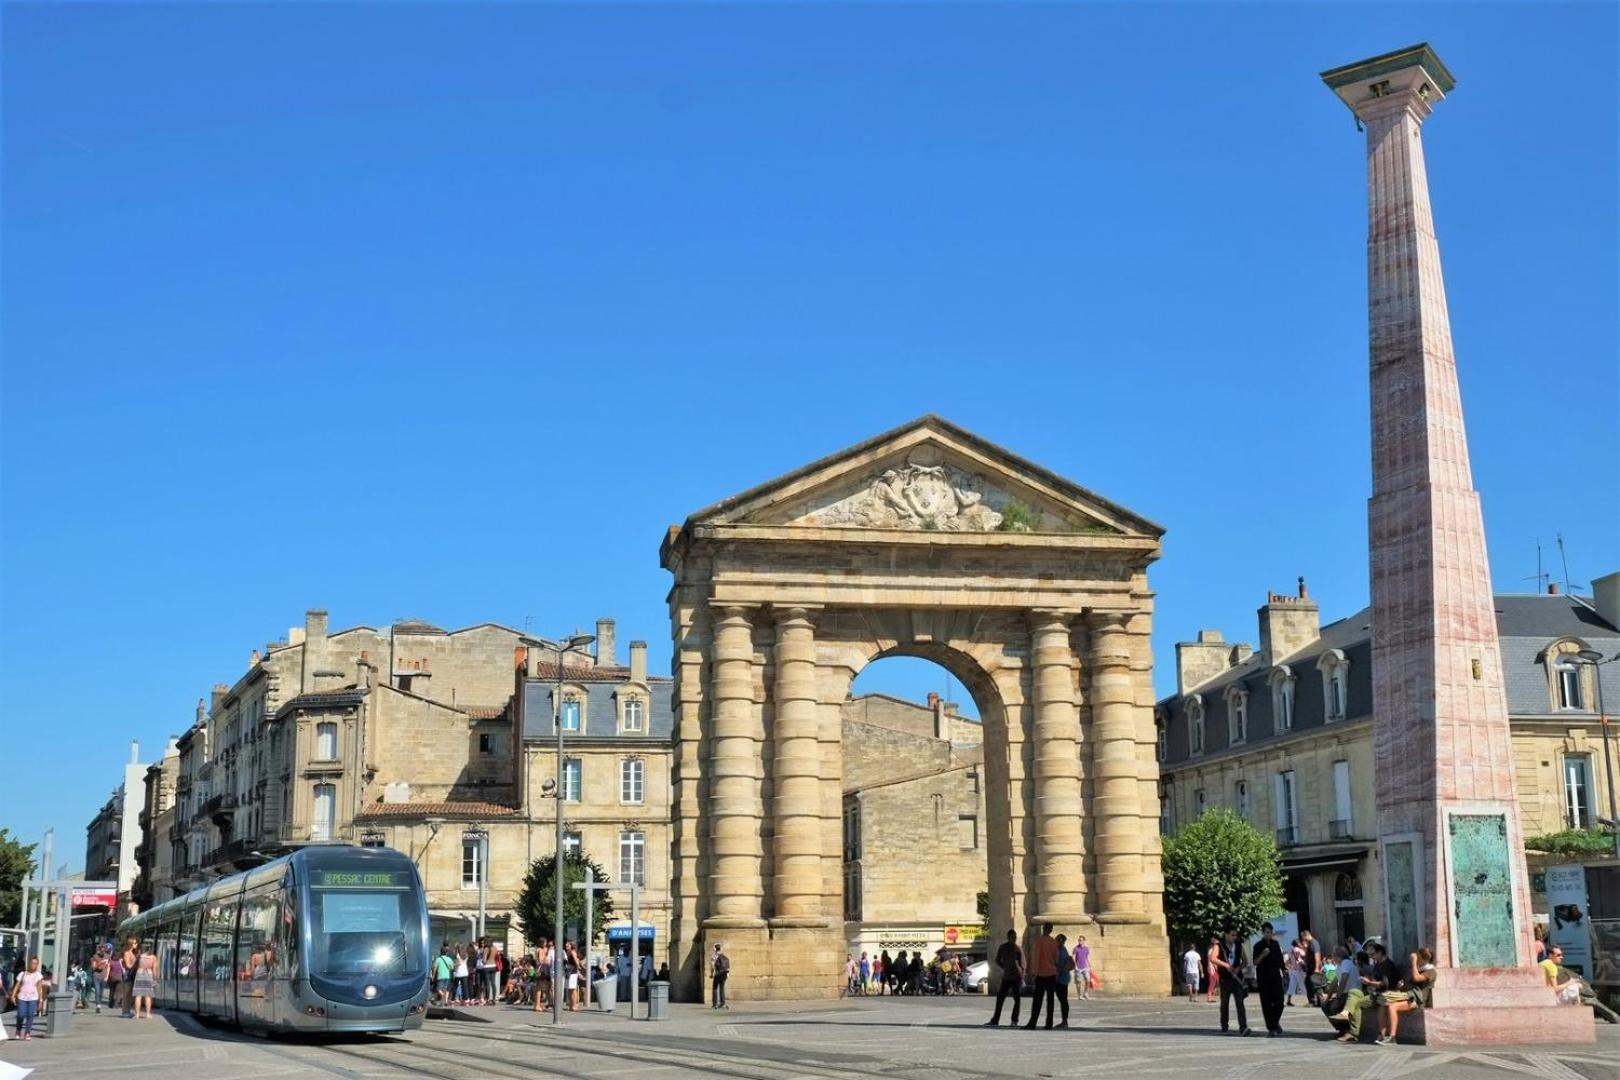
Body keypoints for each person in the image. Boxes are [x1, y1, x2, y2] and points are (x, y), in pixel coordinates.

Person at [1332, 942, 1397, 1043]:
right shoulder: (1377, 964)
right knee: (1355, 995)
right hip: (1373, 992)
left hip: (1385, 994)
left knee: (1356, 1000)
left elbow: (1385, 984)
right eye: (1369, 955)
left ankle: (1353, 1032)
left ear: (1380, 952)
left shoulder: (1387, 965)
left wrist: (1369, 982)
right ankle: (1350, 1026)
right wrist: (1368, 980)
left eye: (1372, 954)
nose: (1371, 957)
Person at [1377, 946, 1436, 1045]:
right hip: (1408, 995)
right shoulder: (1417, 969)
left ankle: (1392, 1037)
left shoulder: (1431, 971)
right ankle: (1382, 1034)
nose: (1416, 960)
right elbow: (1409, 984)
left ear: (1423, 959)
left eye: (1418, 958)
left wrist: (1413, 963)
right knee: (1383, 1002)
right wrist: (1401, 986)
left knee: (1393, 1007)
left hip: (1417, 999)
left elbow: (1417, 978)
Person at [1212, 929, 1251, 1036]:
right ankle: (1224, 1025)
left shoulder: (1239, 945)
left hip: (1237, 978)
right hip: (1225, 979)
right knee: (1224, 1003)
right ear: (1226, 934)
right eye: (1232, 935)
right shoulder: (1219, 945)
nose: (1234, 937)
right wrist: (1226, 965)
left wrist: (1238, 968)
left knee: (1240, 1003)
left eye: (1235, 935)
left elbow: (1245, 961)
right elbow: (1213, 958)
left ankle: (1243, 1027)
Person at [985, 929, 1025, 1027]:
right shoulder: (1003, 948)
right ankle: (995, 1019)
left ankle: (1014, 1020)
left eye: (1015, 937)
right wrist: (1005, 967)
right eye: (1012, 937)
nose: (1014, 939)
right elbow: (997, 960)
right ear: (1008, 938)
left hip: (1016, 977)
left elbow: (1023, 963)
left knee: (1017, 999)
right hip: (1007, 977)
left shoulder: (1018, 948)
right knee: (1000, 998)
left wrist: (1022, 975)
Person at [1024, 923, 1060, 1030]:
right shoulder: (1054, 942)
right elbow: (1056, 959)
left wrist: (1034, 973)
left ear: (1044, 929)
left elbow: (1036, 958)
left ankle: (1033, 1022)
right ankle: (1049, 1023)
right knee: (1050, 1001)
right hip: (1051, 973)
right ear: (1051, 930)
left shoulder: (1039, 941)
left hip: (1041, 974)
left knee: (1037, 1000)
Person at [1252, 923, 1285, 1036]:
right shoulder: (1258, 945)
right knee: (1266, 1004)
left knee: (1280, 1002)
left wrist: (1284, 969)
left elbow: (1280, 959)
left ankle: (1275, 1022)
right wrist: (1263, 954)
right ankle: (1271, 1028)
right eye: (1267, 932)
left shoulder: (1275, 944)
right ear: (1263, 932)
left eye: (1271, 932)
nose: (1269, 934)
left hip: (1275, 977)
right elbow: (1255, 962)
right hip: (1263, 978)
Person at [9, 957, 44, 1041]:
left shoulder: (38, 975)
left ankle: (27, 1032)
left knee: (30, 1015)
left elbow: (39, 988)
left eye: (35, 964)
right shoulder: (22, 974)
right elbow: (17, 985)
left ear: (37, 965)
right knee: (21, 1015)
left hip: (33, 997)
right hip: (22, 997)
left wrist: (41, 1000)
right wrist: (13, 995)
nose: (33, 965)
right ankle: (18, 1029)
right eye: (32, 963)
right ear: (29, 964)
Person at [1053, 933, 1075, 1028]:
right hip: (1063, 978)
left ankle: (1064, 1021)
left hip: (1061, 979)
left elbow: (1059, 965)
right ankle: (1064, 1021)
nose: (1056, 941)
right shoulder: (1062, 950)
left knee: (1063, 1000)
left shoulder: (1060, 951)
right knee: (1063, 1000)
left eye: (1057, 940)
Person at [132, 944, 158, 1019]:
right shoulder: (153, 957)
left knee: (138, 995)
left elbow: (135, 966)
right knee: (148, 995)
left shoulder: (139, 956)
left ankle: (137, 1014)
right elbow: (154, 970)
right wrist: (155, 979)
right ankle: (148, 1014)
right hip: (148, 975)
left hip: (139, 974)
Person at [120, 938, 138, 1018]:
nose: (136, 945)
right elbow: (128, 965)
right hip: (128, 974)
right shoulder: (127, 953)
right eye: (135, 943)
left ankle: (128, 1010)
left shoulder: (133, 953)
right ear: (130, 944)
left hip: (133, 973)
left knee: (130, 994)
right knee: (127, 993)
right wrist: (135, 964)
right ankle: (125, 1011)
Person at [1072, 935, 1092, 1001]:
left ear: (1084, 941)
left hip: (1085, 967)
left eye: (1081, 940)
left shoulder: (1086, 949)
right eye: (1079, 940)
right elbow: (1073, 957)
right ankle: (1079, 995)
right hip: (1078, 967)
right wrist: (1075, 966)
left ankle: (1085, 993)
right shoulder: (1076, 948)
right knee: (1079, 982)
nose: (1079, 941)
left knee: (1088, 980)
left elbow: (1087, 958)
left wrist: (1090, 965)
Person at [1285, 939, 1304, 1006]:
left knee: (1292, 985)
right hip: (1297, 969)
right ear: (1297, 943)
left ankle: (1288, 1000)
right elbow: (1298, 958)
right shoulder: (1297, 950)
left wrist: (1287, 966)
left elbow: (1288, 960)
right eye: (1299, 942)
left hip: (1292, 969)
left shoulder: (1290, 950)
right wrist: (1303, 962)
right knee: (1303, 984)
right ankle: (1311, 1000)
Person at [710, 943, 730, 1009]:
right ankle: (722, 1003)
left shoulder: (714, 956)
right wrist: (727, 974)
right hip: (724, 974)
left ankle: (715, 1004)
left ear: (715, 949)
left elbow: (712, 966)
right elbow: (727, 965)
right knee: (722, 988)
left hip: (718, 974)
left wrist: (711, 974)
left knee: (715, 988)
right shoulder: (723, 955)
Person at [91, 947, 109, 1014]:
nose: (102, 953)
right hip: (96, 976)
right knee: (97, 991)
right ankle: (98, 1006)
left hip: (104, 976)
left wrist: (107, 976)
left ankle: (99, 1004)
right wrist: (100, 963)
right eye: (101, 951)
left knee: (101, 992)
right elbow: (93, 967)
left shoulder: (107, 956)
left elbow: (108, 966)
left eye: (104, 951)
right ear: (98, 951)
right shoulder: (95, 957)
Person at [1204, 935, 1221, 1003]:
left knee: (1215, 982)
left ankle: (1211, 996)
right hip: (1212, 968)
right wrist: (1212, 967)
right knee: (1212, 983)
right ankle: (1209, 997)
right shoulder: (1211, 950)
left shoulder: (1213, 950)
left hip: (1214, 968)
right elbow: (1211, 960)